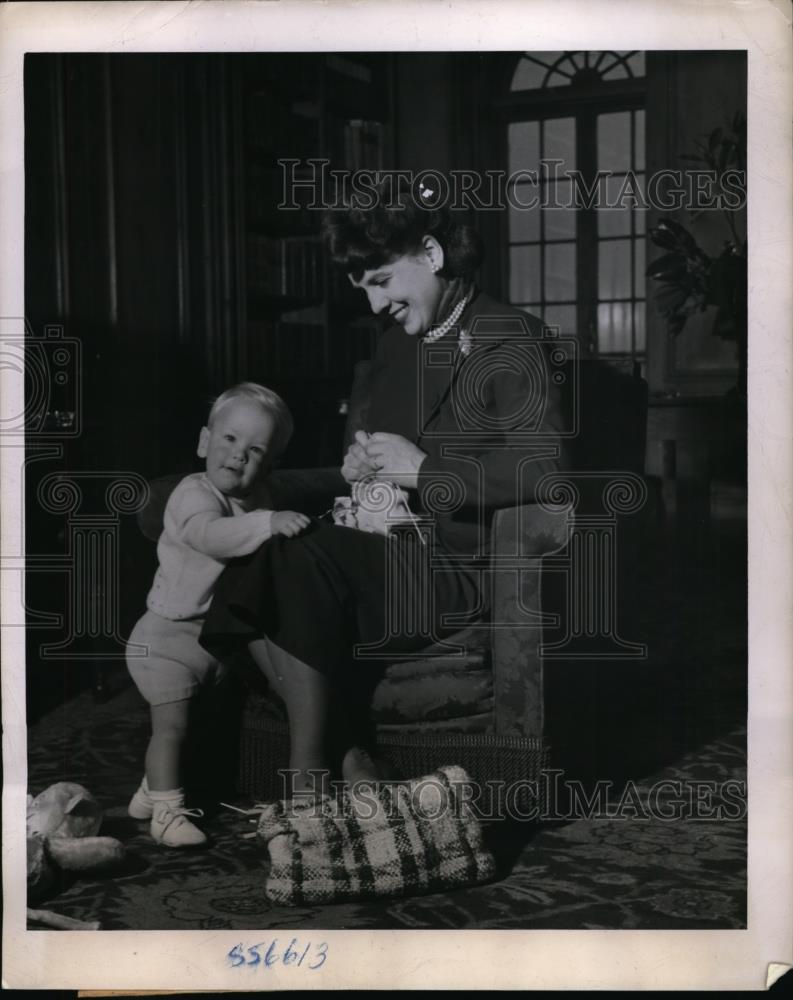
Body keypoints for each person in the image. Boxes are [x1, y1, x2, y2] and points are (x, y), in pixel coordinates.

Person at [200, 177, 569, 799]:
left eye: (381, 281)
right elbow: (379, 458)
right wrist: (360, 466)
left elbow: (544, 470)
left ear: (431, 253)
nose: (374, 306)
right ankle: (341, 758)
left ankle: (311, 776)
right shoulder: (395, 346)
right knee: (261, 554)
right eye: (363, 289)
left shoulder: (512, 334)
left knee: (282, 561)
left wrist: (421, 472)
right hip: (376, 545)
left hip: (455, 564)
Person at [126, 382, 309, 847]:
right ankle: (166, 814)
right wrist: (267, 524)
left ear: (270, 464)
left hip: (211, 639)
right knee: (172, 728)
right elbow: (213, 536)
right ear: (205, 441)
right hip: (166, 638)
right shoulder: (193, 495)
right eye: (229, 440)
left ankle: (151, 791)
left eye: (256, 450)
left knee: (202, 729)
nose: (238, 456)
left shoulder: (260, 496)